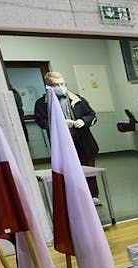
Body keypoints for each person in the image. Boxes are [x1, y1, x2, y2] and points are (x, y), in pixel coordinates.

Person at [34, 71, 101, 204]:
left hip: (83, 141)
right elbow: (41, 122)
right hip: (62, 143)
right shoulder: (42, 103)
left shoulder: (77, 99)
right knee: (69, 171)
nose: (61, 87)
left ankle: (93, 195)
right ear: (48, 86)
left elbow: (91, 114)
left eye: (62, 84)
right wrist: (60, 123)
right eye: (56, 85)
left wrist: (83, 121)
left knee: (88, 169)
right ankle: (75, 198)